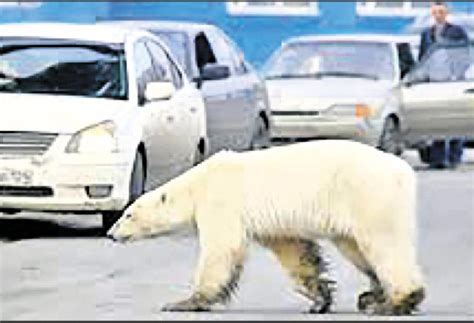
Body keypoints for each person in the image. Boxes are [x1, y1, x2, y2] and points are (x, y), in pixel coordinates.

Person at [418, 1, 469, 169]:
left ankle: (455, 156)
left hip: (453, 81)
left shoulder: (457, 31)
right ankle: (437, 158)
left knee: (454, 119)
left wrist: (457, 72)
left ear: (447, 12)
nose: (438, 14)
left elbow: (465, 53)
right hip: (434, 81)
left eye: (441, 11)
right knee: (436, 119)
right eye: (435, 11)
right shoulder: (427, 34)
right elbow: (423, 57)